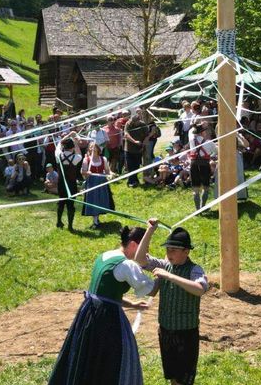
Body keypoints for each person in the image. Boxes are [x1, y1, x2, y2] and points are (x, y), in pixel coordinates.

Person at [49, 221, 156, 385]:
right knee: (111, 358)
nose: (146, 254)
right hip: (106, 320)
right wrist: (167, 274)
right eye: (145, 249)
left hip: (88, 314)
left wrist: (133, 305)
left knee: (87, 355)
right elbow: (150, 289)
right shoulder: (126, 264)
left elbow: (105, 295)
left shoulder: (105, 256)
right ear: (134, 245)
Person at [135, 226, 208, 385]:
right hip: (166, 331)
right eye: (168, 249)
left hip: (186, 334)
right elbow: (140, 259)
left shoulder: (194, 270)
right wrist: (150, 230)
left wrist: (169, 276)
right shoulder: (164, 265)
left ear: (186, 251)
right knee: (173, 378)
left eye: (174, 250)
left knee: (184, 380)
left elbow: (200, 289)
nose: (169, 253)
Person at [82, 142, 114, 229]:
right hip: (92, 183)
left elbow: (107, 171)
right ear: (89, 149)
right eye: (91, 147)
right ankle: (95, 221)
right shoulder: (86, 160)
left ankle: (97, 219)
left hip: (101, 183)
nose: (93, 149)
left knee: (100, 200)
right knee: (94, 201)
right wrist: (86, 172)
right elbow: (83, 172)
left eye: (94, 147)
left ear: (98, 148)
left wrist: (110, 174)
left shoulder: (103, 159)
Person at [55, 132, 82, 231]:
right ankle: (70, 226)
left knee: (61, 201)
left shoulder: (58, 155)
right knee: (71, 204)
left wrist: (68, 136)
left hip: (61, 183)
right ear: (72, 147)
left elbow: (58, 144)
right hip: (71, 184)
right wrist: (76, 142)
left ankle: (58, 221)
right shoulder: (75, 158)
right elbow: (79, 153)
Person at [188, 122, 216, 210]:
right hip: (204, 164)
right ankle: (203, 206)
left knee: (196, 189)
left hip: (194, 164)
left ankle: (197, 209)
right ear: (203, 132)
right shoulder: (209, 142)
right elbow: (215, 152)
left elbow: (191, 132)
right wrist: (210, 156)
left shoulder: (191, 141)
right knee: (206, 187)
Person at [123, 109, 151, 187]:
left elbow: (147, 136)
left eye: (135, 122)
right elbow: (126, 134)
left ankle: (133, 181)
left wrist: (143, 145)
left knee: (136, 166)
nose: (133, 123)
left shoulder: (143, 125)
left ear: (139, 121)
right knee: (129, 166)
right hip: (128, 149)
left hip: (139, 150)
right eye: (132, 121)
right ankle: (131, 181)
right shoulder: (128, 124)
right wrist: (134, 141)